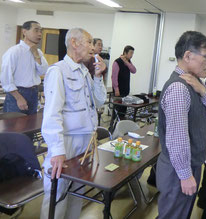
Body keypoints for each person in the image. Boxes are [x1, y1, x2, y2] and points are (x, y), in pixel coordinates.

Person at [41, 28, 107, 219]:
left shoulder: (84, 72)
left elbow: (100, 101)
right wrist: (57, 150)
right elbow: (52, 114)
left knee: (77, 192)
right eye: (89, 42)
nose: (92, 48)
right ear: (74, 43)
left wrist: (97, 76)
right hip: (67, 142)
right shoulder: (58, 71)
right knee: (58, 195)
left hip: (84, 141)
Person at [156, 31, 206, 219]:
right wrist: (185, 175)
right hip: (178, 170)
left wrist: (203, 91)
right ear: (188, 56)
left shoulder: (195, 82)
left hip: (188, 165)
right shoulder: (178, 88)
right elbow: (177, 138)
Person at [0, 21, 48, 115]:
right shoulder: (14, 52)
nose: (39, 34)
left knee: (30, 125)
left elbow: (44, 71)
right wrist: (18, 98)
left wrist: (36, 55)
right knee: (13, 127)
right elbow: (5, 79)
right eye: (36, 30)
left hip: (34, 92)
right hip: (18, 93)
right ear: (24, 32)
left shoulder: (38, 52)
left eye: (40, 31)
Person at [110, 45, 136, 124]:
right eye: (130, 53)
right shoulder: (117, 62)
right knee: (117, 110)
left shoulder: (128, 62)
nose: (132, 55)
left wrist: (126, 62)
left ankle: (121, 126)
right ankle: (113, 126)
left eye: (133, 53)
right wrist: (116, 89)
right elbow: (114, 77)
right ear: (125, 52)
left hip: (125, 89)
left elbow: (134, 70)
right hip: (118, 90)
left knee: (123, 110)